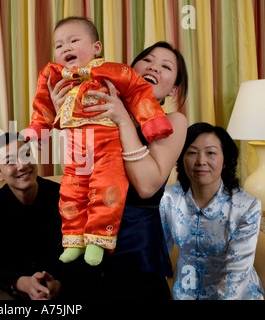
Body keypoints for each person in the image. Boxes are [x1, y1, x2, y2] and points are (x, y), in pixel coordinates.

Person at [26, 16, 174, 266]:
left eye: (74, 40)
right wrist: (46, 124)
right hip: (77, 148)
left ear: (97, 48)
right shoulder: (54, 75)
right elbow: (42, 103)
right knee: (70, 191)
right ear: (135, 66)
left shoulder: (114, 73)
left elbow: (139, 92)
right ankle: (74, 239)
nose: (66, 48)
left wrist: (150, 121)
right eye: (59, 45)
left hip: (136, 239)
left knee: (107, 188)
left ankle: (96, 238)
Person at [50, 41, 188, 300]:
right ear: (129, 69)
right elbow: (77, 171)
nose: (154, 67)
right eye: (148, 60)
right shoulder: (96, 106)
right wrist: (68, 119)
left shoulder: (173, 122)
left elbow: (146, 187)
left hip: (136, 254)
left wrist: (123, 119)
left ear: (173, 89)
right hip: (85, 240)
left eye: (165, 66)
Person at [159, 122, 264, 300]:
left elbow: (236, 276)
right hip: (185, 294)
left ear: (224, 160)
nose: (201, 161)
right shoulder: (168, 198)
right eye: (192, 152)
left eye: (211, 153)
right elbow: (159, 257)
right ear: (182, 157)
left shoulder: (247, 206)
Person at [0, 132, 63, 300]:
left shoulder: (63, 195)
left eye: (26, 155)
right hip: (18, 289)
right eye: (10, 161)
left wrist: (58, 284)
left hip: (64, 283)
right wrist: (23, 283)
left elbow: (79, 250)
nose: (22, 165)